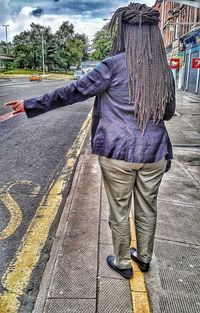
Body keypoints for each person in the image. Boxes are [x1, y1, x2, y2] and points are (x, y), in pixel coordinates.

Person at [5, 2, 175, 279]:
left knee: (119, 209)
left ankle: (122, 262)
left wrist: (30, 104)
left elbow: (72, 92)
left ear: (123, 31)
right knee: (148, 207)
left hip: (118, 152)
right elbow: (167, 113)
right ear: (153, 34)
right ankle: (143, 258)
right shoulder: (164, 70)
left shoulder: (112, 66)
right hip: (155, 153)